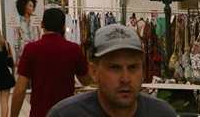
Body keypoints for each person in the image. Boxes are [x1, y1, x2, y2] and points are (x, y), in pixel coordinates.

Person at [47, 24, 176, 117]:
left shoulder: (162, 113)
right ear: (94, 72)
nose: (125, 79)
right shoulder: (65, 114)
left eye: (133, 67)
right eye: (115, 68)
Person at [10, 8, 90, 117]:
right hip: (66, 113)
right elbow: (86, 81)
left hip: (39, 113)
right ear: (63, 27)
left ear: (42, 24)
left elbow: (20, 89)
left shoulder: (31, 49)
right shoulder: (74, 49)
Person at [13, 0, 41, 65]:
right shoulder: (17, 20)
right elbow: (16, 39)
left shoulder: (35, 18)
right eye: (30, 6)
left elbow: (39, 35)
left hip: (35, 51)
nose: (32, 8)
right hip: (23, 52)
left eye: (33, 6)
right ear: (24, 6)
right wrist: (17, 58)